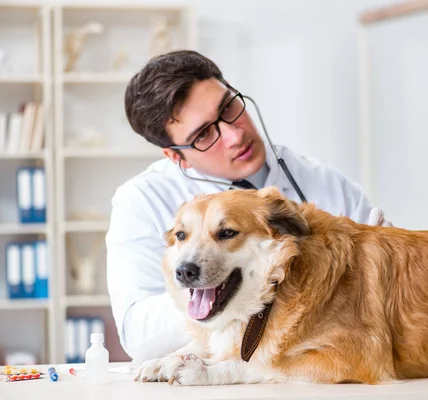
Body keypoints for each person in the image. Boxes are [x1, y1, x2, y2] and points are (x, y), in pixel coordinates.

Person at [106, 49, 391, 364]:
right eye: (203, 134)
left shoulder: (320, 179)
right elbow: (137, 336)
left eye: (229, 107)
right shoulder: (142, 199)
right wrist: (242, 287)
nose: (234, 135)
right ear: (176, 156)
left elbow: (384, 295)